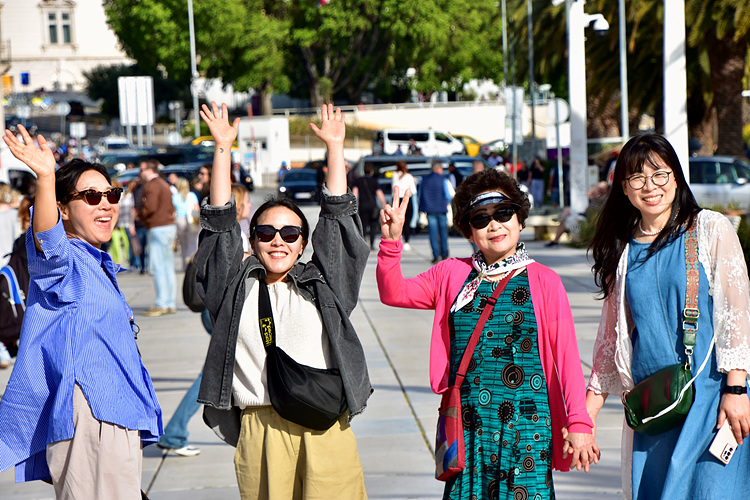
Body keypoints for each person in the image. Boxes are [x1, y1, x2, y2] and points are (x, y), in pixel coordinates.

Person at [377, 168, 598, 500]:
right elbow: (394, 292)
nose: (494, 225)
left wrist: (580, 423)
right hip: (469, 427)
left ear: (520, 220)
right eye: (481, 219)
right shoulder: (452, 273)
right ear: (469, 232)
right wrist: (392, 241)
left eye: (503, 213)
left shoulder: (545, 281)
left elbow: (567, 360)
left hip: (527, 429)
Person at [194, 102, 371, 499]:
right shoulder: (234, 288)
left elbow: (338, 221)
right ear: (252, 239)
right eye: (266, 233)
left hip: (325, 426)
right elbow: (219, 225)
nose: (278, 241)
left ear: (303, 243)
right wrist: (222, 147)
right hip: (261, 427)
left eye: (290, 234)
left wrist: (335, 148)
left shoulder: (324, 286)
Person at [0, 126, 162, 499]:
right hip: (94, 416)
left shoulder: (97, 263)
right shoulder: (64, 262)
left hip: (115, 415)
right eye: (90, 196)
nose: (105, 204)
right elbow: (48, 240)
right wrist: (46, 177)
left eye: (111, 194)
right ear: (62, 209)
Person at [586, 133, 750, 499]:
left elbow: (735, 314)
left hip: (711, 400)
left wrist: (736, 389)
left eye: (659, 174)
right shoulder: (622, 251)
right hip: (655, 409)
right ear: (624, 188)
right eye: (637, 178)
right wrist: (587, 417)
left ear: (676, 177)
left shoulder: (710, 229)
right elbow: (611, 339)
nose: (650, 186)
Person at [138, 159, 177, 316]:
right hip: (168, 226)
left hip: (157, 227)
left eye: (142, 169)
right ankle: (170, 302)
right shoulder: (163, 183)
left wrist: (140, 215)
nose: (140, 173)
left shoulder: (152, 185)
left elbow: (150, 207)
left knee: (158, 267)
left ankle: (161, 303)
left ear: (149, 170)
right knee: (168, 267)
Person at [545, 181, 609, 247]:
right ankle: (561, 218)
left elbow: (590, 194)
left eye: (597, 187)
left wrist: (597, 188)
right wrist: (597, 188)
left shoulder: (602, 198)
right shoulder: (597, 197)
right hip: (584, 215)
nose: (595, 188)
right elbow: (588, 194)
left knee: (565, 220)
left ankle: (556, 238)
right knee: (567, 209)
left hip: (586, 219)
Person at [419, 160, 452, 263]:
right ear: (438, 168)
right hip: (441, 209)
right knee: (443, 233)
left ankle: (435, 255)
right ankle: (444, 253)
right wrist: (446, 203)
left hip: (429, 210)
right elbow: (448, 196)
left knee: (433, 233)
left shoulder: (424, 180)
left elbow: (420, 195)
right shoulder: (443, 179)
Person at [352, 165, 386, 249]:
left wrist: (352, 204)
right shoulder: (374, 181)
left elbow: (355, 193)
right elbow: (379, 193)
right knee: (373, 224)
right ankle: (372, 243)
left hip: (363, 205)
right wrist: (384, 204)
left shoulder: (359, 180)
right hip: (372, 206)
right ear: (371, 172)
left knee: (363, 223)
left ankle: (364, 241)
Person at [172, 177, 200, 271]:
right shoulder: (192, 195)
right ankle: (191, 264)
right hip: (191, 220)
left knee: (183, 244)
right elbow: (197, 209)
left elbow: (173, 211)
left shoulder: (175, 197)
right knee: (192, 243)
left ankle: (185, 266)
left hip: (179, 220)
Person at [391, 160, 418, 251]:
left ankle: (398, 239)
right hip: (406, 199)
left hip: (396, 200)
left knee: (396, 221)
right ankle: (406, 242)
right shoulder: (409, 176)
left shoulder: (395, 175)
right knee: (407, 222)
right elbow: (414, 191)